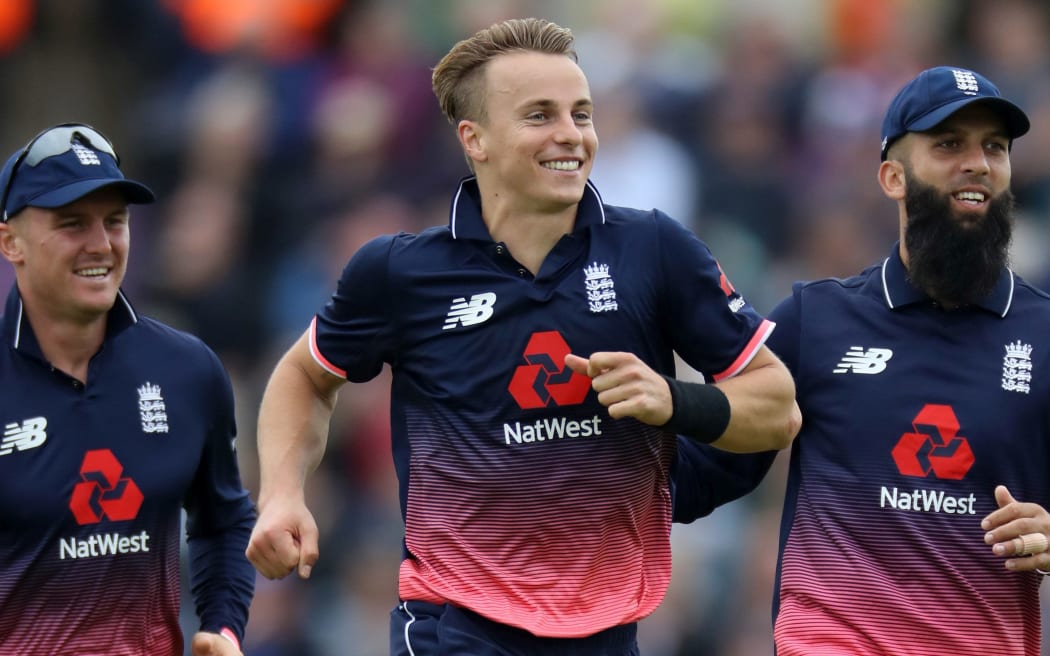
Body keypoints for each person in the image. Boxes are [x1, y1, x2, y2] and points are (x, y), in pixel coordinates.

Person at [246, 16, 799, 656]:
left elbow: (777, 406)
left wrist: (675, 400)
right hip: (450, 622)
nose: (572, 135)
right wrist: (282, 492)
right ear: (474, 138)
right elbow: (305, 375)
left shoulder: (655, 248)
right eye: (540, 115)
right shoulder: (400, 270)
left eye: (581, 114)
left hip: (607, 628)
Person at [674, 65, 1050, 655]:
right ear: (893, 177)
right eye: (950, 144)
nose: (977, 162)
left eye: (994, 148)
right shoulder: (813, 320)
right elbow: (698, 477)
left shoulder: (1046, 333)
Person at [0, 123, 256, 655]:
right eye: (72, 224)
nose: (101, 244)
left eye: (114, 222)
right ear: (11, 242)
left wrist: (222, 625)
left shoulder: (187, 370)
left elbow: (223, 520)